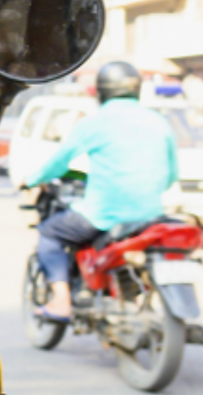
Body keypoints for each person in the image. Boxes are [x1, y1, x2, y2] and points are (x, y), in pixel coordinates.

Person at [21, 61, 178, 321]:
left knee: (49, 232)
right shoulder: (159, 122)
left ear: (101, 92)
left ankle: (61, 301)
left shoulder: (95, 123)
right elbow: (171, 176)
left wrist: (31, 180)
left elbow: (59, 162)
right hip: (150, 215)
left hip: (104, 216)